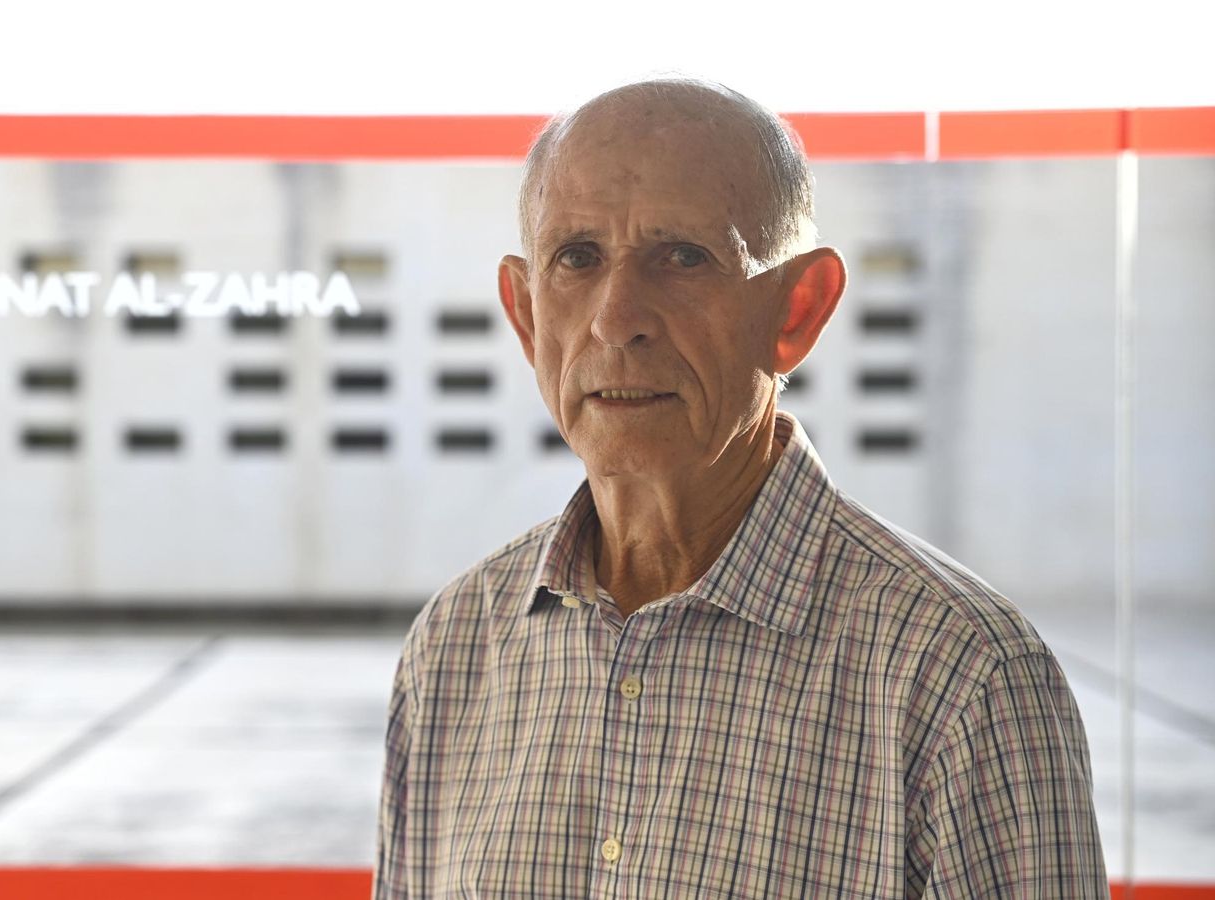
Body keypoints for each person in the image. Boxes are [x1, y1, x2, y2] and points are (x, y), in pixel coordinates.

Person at [374, 78, 1107, 898]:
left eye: (684, 257)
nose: (617, 319)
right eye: (577, 257)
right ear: (525, 313)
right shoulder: (454, 650)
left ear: (798, 310)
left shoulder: (961, 677)